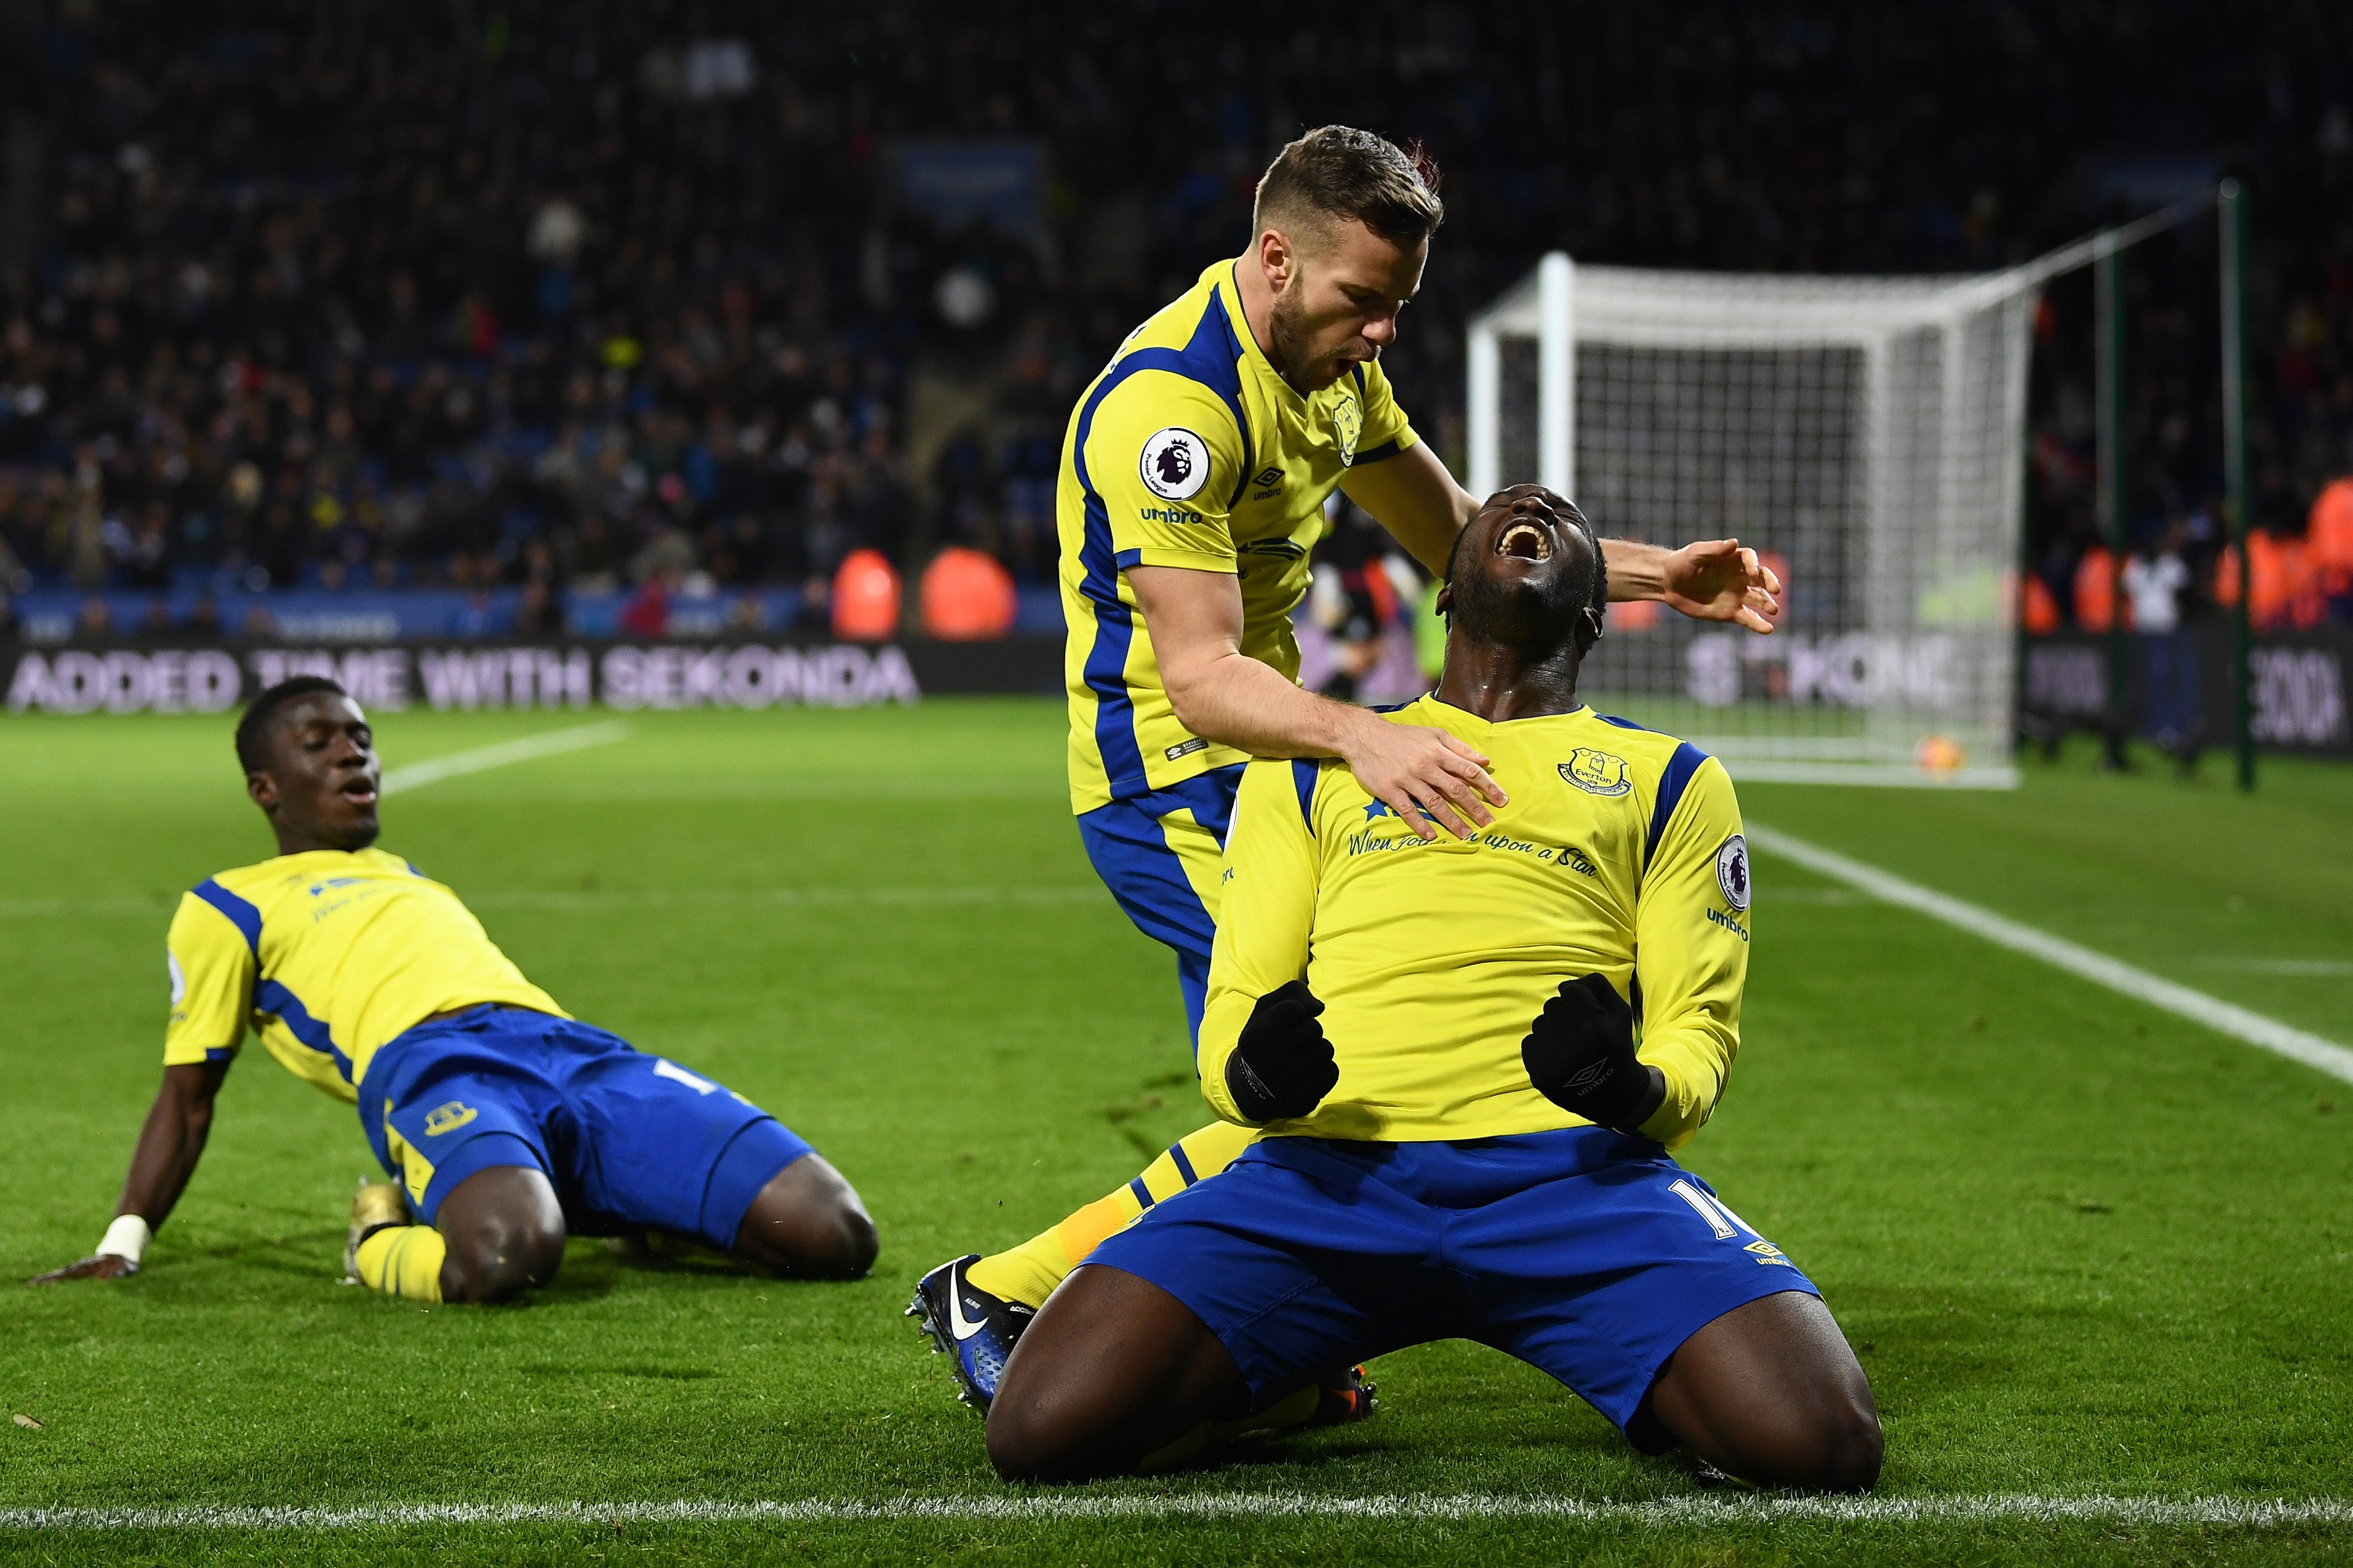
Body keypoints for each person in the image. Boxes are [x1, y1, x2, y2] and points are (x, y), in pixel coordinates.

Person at [909, 125, 1784, 1409]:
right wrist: (1361, 732)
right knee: (1344, 1064)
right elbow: (1201, 677)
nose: (1381, 330)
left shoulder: (1332, 374)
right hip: (1172, 772)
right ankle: (1007, 1291)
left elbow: (1455, 532)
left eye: (1397, 306)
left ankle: (1274, 1319)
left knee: (1333, 1067)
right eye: (1361, 300)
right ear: (1275, 258)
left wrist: (1657, 576)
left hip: (1272, 757)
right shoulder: (1174, 408)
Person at [985, 486, 1881, 1489]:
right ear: (1447, 591)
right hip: (1327, 1177)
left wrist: (1631, 1092)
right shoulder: (1312, 766)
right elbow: (1236, 1013)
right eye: (1500, 510)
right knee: (1037, 1428)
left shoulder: (1670, 778)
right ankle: (1280, 1386)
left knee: (1826, 1442)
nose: (1532, 504)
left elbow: (1699, 1034)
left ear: (1593, 611)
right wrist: (1257, 1076)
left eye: (1562, 522)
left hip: (1574, 1180)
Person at [28, 676, 874, 1302]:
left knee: (836, 1234)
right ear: (265, 788)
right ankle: (376, 1238)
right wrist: (124, 1238)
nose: (353, 750)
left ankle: (635, 1211)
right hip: (434, 1073)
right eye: (319, 740)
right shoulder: (227, 904)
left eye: (360, 735)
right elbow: (187, 1097)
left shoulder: (408, 874)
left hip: (570, 1051)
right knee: (505, 1257)